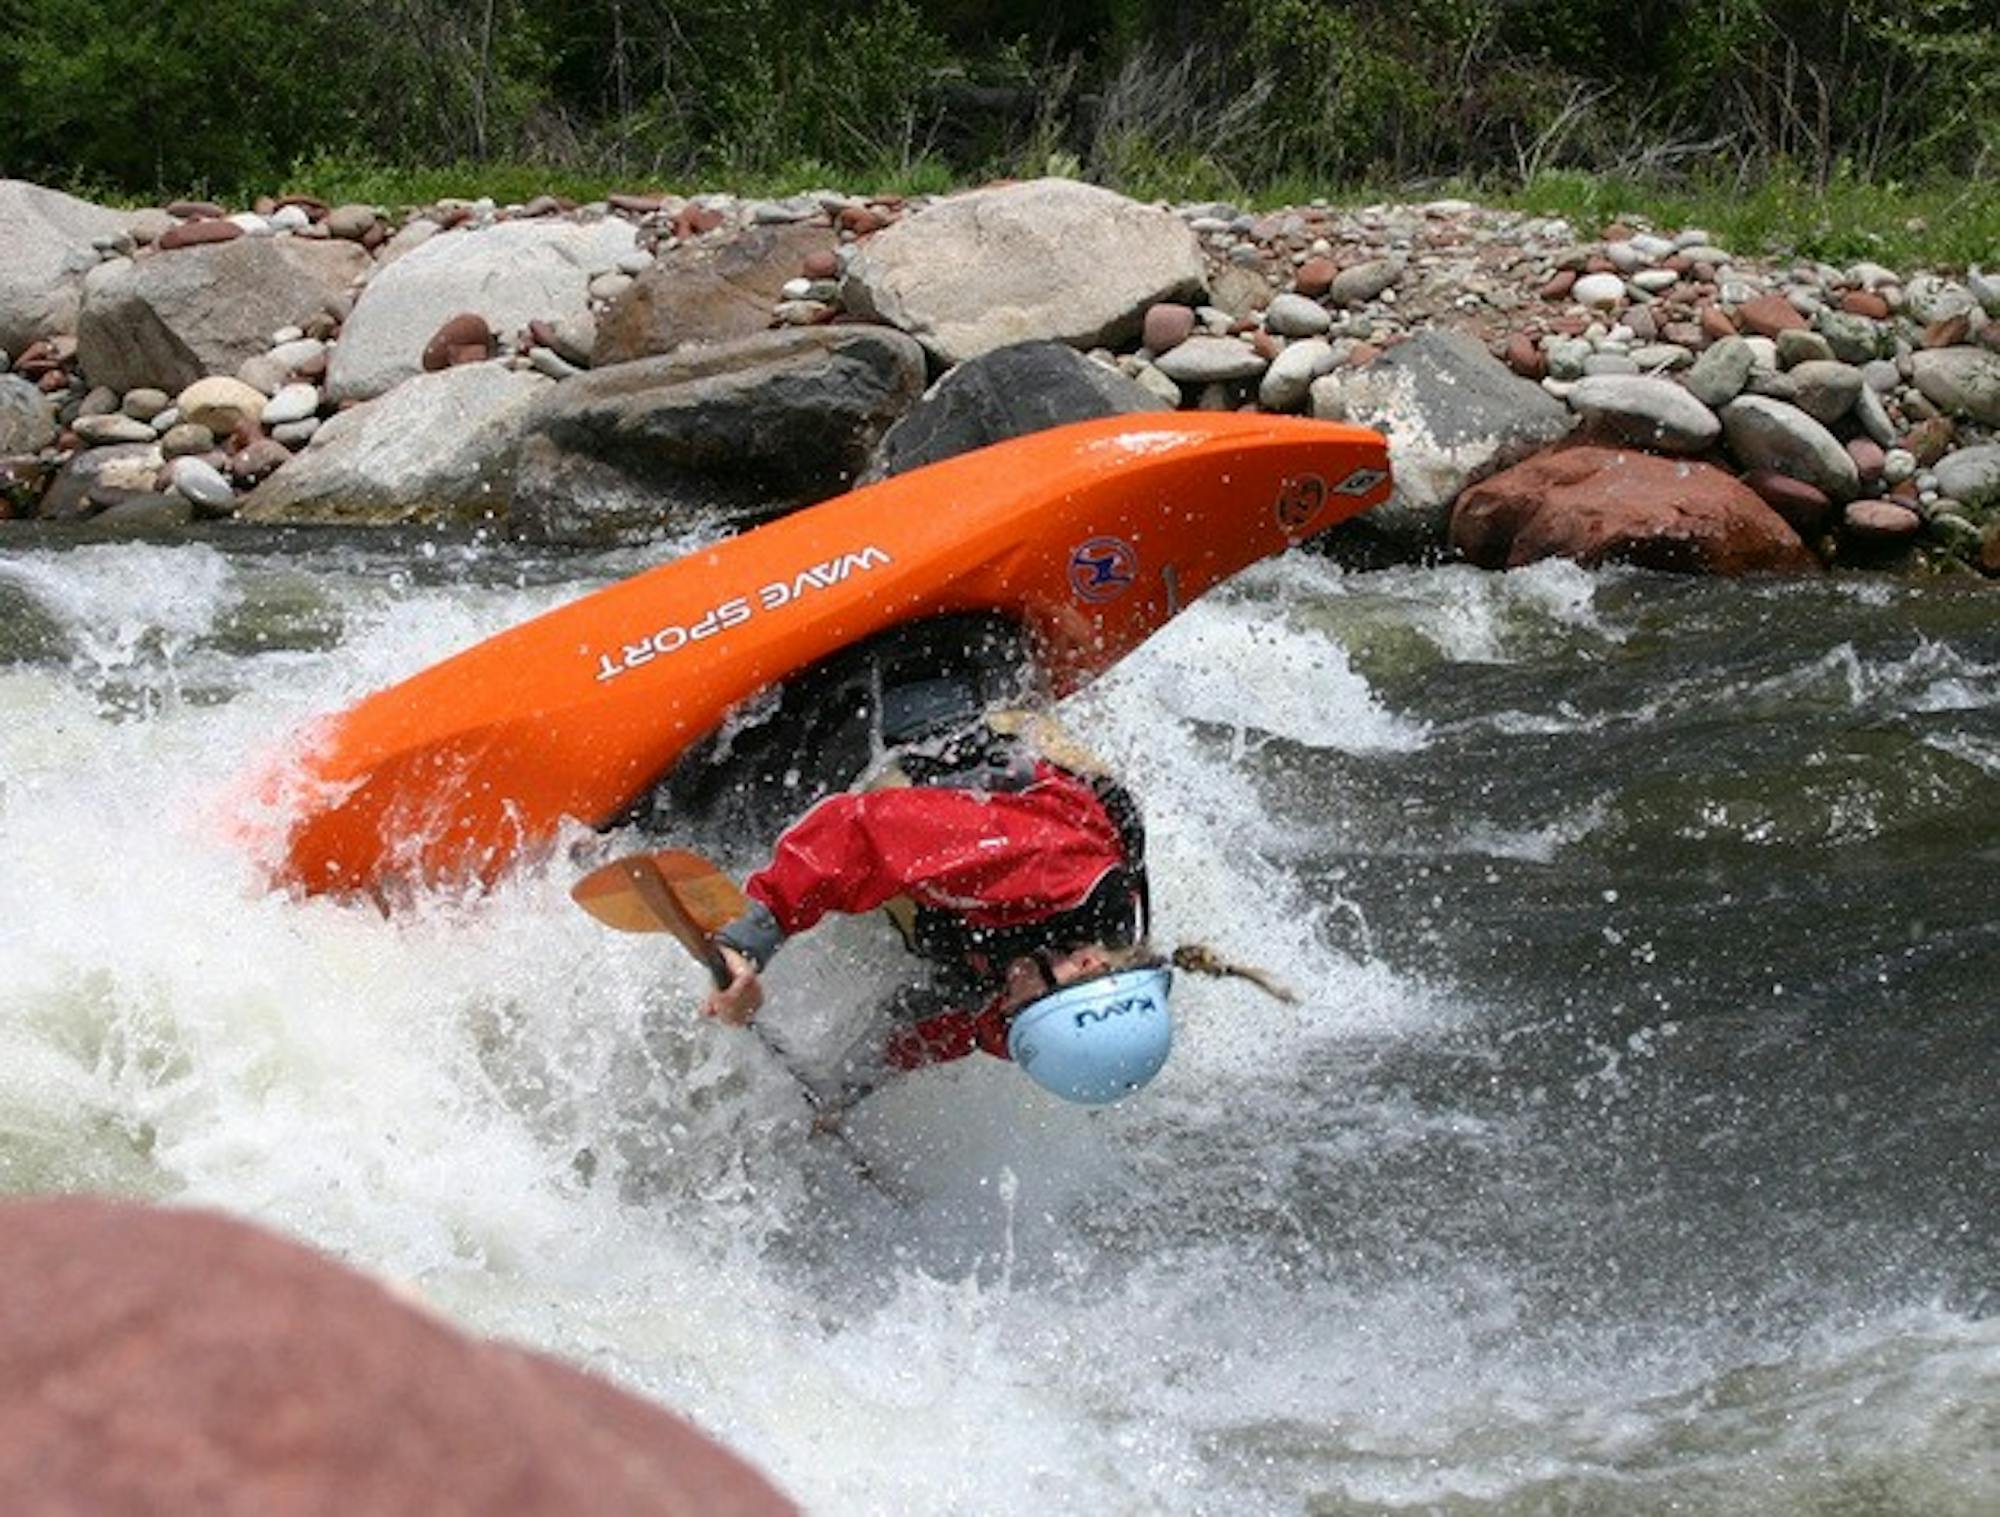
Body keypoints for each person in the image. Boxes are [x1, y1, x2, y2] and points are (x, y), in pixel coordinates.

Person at [699, 712, 1176, 1108]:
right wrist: (747, 944)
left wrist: (849, 1087)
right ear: (1087, 964)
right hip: (924, 713)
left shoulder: (1046, 1006)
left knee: (960, 977)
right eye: (1024, 1006)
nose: (1009, 1005)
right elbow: (856, 835)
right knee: (728, 814)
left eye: (1017, 1016)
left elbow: (961, 1024)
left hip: (987, 850)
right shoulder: (1041, 869)